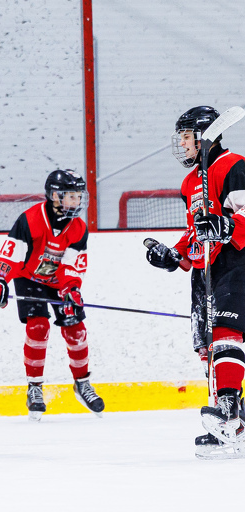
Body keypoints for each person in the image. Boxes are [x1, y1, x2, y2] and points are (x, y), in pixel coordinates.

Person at [145, 106, 245, 458]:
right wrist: (174, 255)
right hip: (206, 270)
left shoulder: (233, 166)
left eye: (187, 137)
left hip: (236, 261)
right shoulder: (191, 183)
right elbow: (196, 232)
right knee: (208, 346)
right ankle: (230, 427)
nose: (183, 144)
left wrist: (227, 225)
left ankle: (229, 411)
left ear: (204, 137)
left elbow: (242, 214)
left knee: (225, 333)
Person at [0, 169, 105, 421]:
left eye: (79, 196)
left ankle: (82, 383)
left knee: (76, 329)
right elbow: (10, 254)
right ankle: (34, 387)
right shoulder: (30, 220)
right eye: (71, 196)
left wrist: (71, 289)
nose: (77, 201)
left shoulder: (79, 228)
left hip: (58, 282)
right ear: (54, 196)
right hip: (28, 278)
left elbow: (72, 267)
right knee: (38, 327)